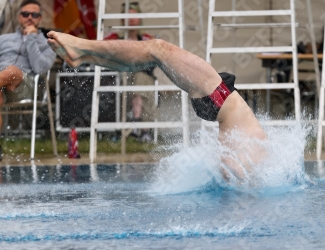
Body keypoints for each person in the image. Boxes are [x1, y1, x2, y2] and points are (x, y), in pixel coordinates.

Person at [47, 31, 268, 178]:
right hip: (219, 103)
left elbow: (235, 176)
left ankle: (81, 48)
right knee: (154, 54)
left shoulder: (256, 158)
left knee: (157, 49)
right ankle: (84, 56)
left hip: (222, 97)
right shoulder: (263, 158)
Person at [0, 0, 56, 161]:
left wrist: (31, 38)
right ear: (19, 17)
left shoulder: (48, 43)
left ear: (40, 18)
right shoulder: (4, 39)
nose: (29, 17)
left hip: (27, 86)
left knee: (12, 70)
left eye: (34, 14)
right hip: (3, 87)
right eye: (25, 14)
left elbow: (40, 68)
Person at [104, 2, 158, 142]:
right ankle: (145, 131)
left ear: (140, 18)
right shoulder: (114, 37)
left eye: (135, 16)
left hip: (144, 78)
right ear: (122, 19)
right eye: (128, 16)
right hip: (122, 79)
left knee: (141, 80)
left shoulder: (147, 38)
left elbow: (155, 61)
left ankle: (135, 122)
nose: (132, 19)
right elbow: (103, 54)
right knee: (140, 83)